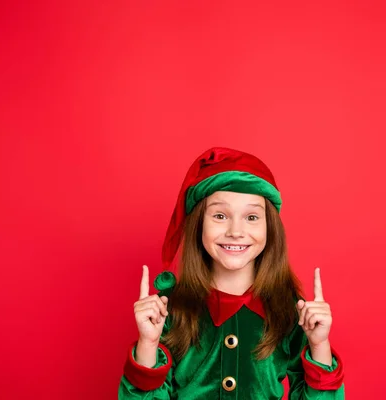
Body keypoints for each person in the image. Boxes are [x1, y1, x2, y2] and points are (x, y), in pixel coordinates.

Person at [119, 147, 345, 399]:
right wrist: (148, 346)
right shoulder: (169, 310)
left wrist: (319, 345)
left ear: (270, 227)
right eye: (219, 215)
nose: (235, 231)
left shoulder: (290, 311)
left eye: (251, 217)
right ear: (198, 225)